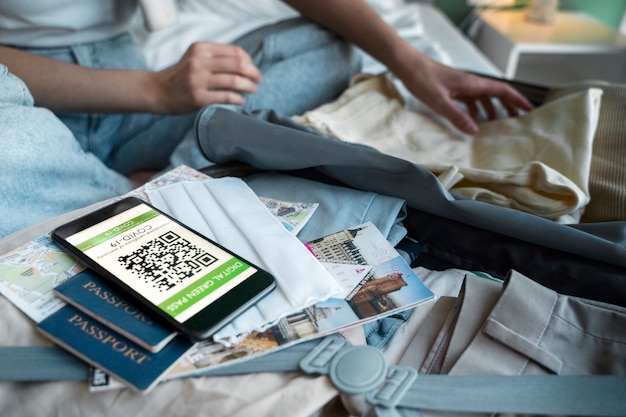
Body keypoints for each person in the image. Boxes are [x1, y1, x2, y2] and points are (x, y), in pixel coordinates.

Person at [0, 0, 532, 237]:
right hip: (29, 98)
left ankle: (132, 188)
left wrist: (413, 65)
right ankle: (139, 193)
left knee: (331, 45)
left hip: (132, 97)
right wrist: (154, 90)